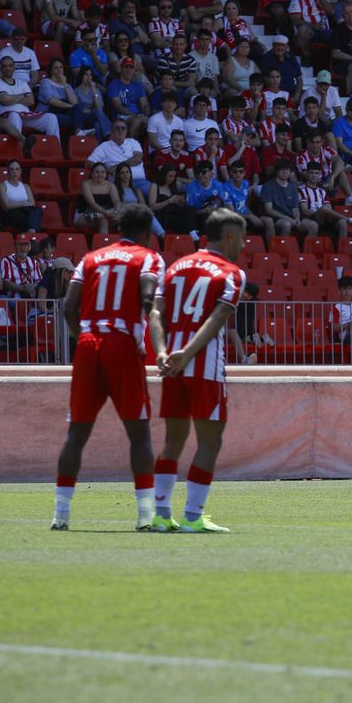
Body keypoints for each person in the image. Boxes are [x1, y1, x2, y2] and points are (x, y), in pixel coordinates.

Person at [53, 206, 167, 532]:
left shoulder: (91, 258)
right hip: (122, 344)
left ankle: (61, 513)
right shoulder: (149, 258)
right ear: (148, 232)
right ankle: (146, 516)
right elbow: (147, 293)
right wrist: (154, 316)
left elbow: (68, 307)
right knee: (139, 433)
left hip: (88, 343)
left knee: (77, 433)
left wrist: (85, 337)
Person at [149, 207, 248, 534]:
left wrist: (163, 352)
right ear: (230, 236)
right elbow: (219, 317)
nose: (243, 246)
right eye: (242, 239)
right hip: (204, 367)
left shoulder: (176, 266)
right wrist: (188, 353)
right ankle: (193, 516)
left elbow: (155, 314)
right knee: (210, 441)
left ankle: (161, 514)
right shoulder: (231, 272)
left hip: (172, 368)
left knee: (172, 440)